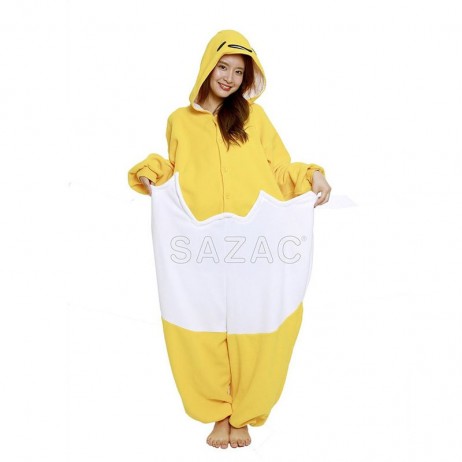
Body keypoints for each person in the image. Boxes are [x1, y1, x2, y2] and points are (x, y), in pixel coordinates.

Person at [128, 29, 331, 449]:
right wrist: (152, 171)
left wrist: (312, 176)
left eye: (239, 72)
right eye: (223, 67)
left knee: (256, 324)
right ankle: (218, 412)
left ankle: (245, 413)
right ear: (208, 66)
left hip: (255, 241)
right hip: (200, 245)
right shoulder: (179, 120)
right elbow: (174, 168)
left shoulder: (255, 118)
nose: (229, 78)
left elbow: (279, 170)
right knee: (201, 327)